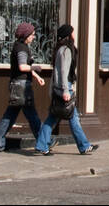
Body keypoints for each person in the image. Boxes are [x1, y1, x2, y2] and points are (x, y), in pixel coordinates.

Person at [35, 24, 100, 156]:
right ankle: (84, 146)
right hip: (64, 87)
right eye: (72, 32)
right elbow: (63, 71)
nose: (74, 35)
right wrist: (65, 90)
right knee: (71, 117)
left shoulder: (60, 49)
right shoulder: (66, 51)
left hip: (59, 87)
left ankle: (42, 145)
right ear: (68, 35)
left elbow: (57, 72)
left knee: (54, 117)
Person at [0, 22, 46, 152]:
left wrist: (37, 77)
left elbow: (25, 67)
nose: (33, 37)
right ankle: (45, 141)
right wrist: (35, 68)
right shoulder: (21, 48)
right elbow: (22, 67)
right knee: (32, 116)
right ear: (26, 35)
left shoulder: (20, 46)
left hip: (18, 84)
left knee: (11, 115)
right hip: (21, 86)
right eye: (32, 35)